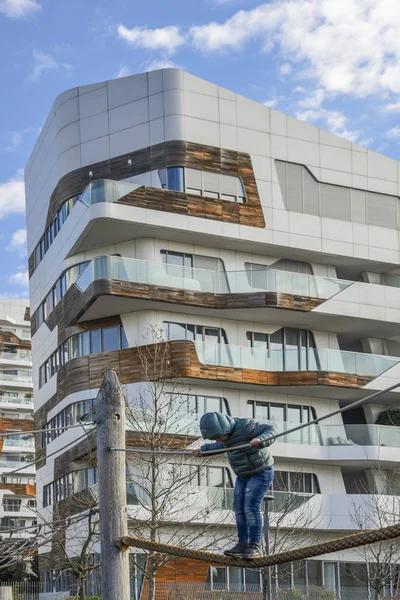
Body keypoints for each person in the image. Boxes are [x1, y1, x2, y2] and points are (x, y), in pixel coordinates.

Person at [193, 411, 275, 560]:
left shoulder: (245, 426)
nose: (218, 440)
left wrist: (260, 439)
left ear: (225, 429)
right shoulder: (225, 438)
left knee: (250, 507)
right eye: (215, 438)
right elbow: (220, 445)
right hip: (243, 475)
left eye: (218, 436)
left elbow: (270, 430)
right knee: (238, 509)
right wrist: (203, 450)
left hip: (261, 472)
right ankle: (243, 543)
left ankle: (255, 545)